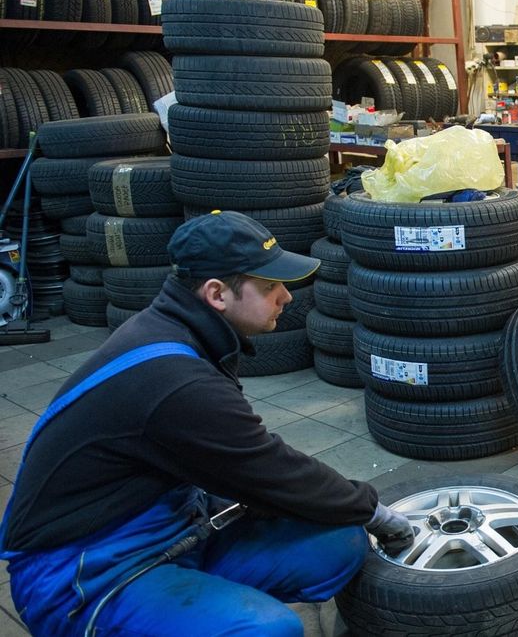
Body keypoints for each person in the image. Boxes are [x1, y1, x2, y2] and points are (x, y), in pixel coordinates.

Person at [0, 211, 414, 636]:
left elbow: (245, 471)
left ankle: (197, 610)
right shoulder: (173, 380)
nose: (286, 298)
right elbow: (271, 470)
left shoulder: (179, 332)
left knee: (337, 544)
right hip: (80, 572)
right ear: (217, 293)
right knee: (267, 630)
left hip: (170, 526)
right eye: (270, 286)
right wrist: (373, 510)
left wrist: (351, 512)